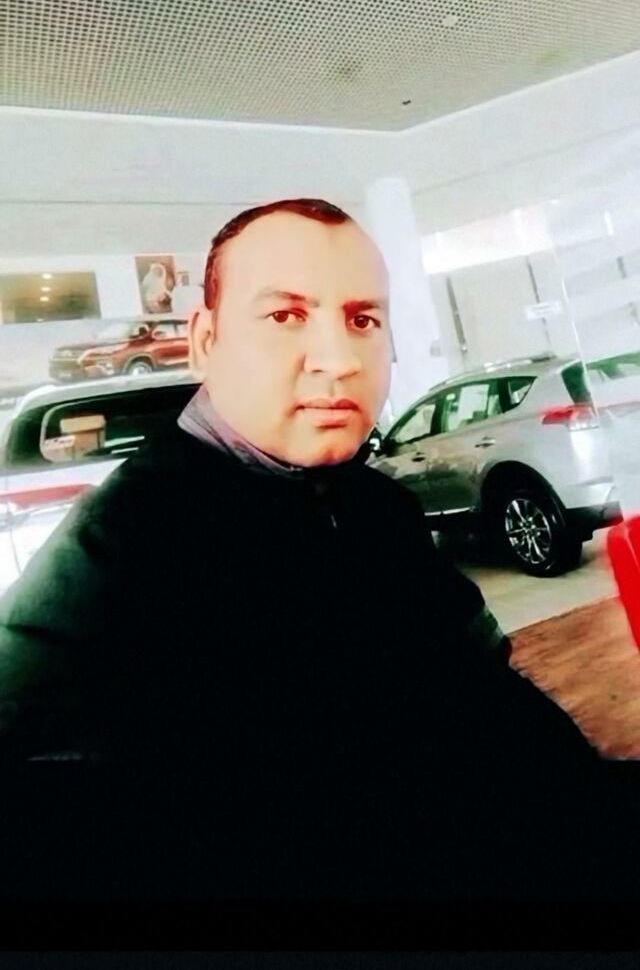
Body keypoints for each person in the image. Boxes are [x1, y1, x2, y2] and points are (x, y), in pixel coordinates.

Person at [0, 199, 637, 902]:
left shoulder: (379, 506)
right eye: (285, 315)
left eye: (363, 320)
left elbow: (488, 701)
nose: (338, 361)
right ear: (205, 339)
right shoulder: (112, 555)